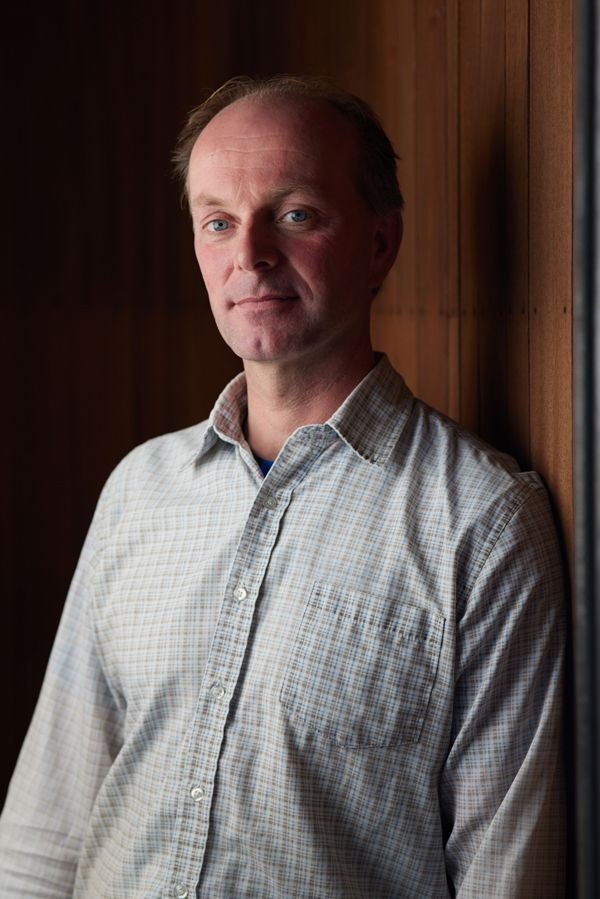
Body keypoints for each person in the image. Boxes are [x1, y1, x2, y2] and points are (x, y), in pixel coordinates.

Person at [0, 75, 564, 898]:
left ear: (380, 243)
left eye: (295, 215)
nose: (250, 255)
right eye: (218, 221)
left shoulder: (482, 522)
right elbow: (45, 834)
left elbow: (506, 874)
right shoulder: (137, 493)